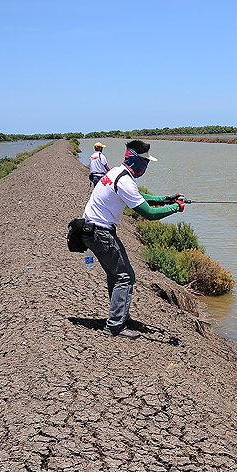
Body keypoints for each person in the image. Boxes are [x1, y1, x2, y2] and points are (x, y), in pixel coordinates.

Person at [81, 139, 186, 339]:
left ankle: (120, 317)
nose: (146, 166)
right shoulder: (125, 180)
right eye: (146, 162)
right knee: (125, 276)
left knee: (117, 275)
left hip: (93, 230)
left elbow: (139, 196)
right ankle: (115, 325)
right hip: (100, 232)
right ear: (137, 161)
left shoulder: (116, 173)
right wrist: (176, 208)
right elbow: (149, 214)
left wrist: (166, 199)